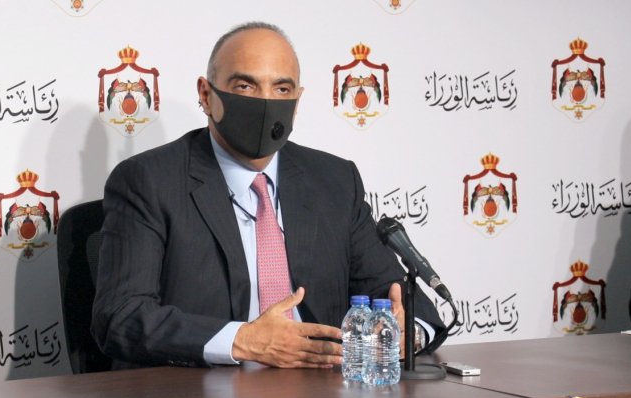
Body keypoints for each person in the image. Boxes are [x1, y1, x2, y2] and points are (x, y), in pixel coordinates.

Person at [91, 21, 446, 370]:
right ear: (206, 94)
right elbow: (120, 316)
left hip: (321, 385)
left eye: (281, 88)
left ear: (297, 100)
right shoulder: (149, 181)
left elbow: (405, 303)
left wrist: (407, 335)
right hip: (201, 387)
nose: (265, 102)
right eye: (245, 86)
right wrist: (242, 341)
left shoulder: (335, 181)